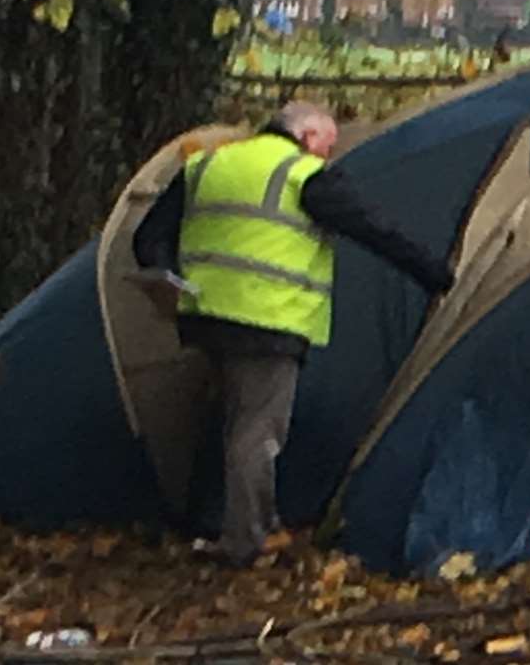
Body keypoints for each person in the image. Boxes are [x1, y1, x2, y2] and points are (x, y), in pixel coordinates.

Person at [133, 101, 454, 567]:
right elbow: (373, 229)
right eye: (327, 144)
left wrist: (170, 278)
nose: (330, 155)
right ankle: (245, 540)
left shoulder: (208, 164)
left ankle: (256, 522)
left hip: (204, 315)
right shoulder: (303, 176)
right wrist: (435, 274)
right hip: (268, 320)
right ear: (305, 137)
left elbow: (147, 239)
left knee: (235, 421)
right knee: (257, 431)